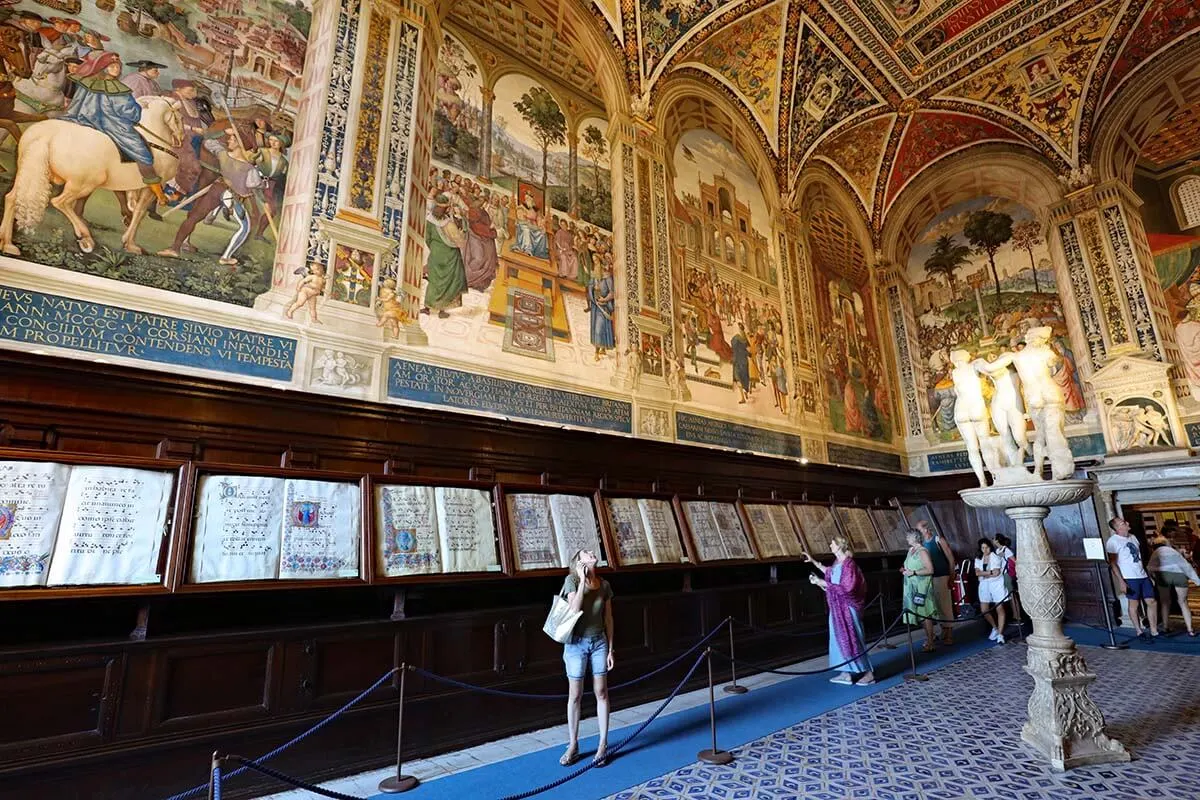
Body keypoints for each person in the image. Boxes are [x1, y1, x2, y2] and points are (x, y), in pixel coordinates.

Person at [59, 50, 169, 205]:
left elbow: (79, 104)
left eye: (117, 66)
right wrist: (138, 109)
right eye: (112, 66)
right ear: (104, 68)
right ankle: (159, 193)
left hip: (86, 119)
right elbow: (129, 112)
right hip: (113, 125)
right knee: (142, 151)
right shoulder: (117, 87)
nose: (116, 69)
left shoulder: (90, 82)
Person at [560, 549, 614, 767]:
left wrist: (611, 649)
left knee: (601, 691)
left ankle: (603, 744)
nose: (592, 553)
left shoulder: (605, 585)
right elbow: (574, 609)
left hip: (599, 642)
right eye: (586, 553)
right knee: (575, 694)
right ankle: (573, 744)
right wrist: (582, 581)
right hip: (576, 644)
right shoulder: (571, 580)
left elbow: (608, 618)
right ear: (579, 561)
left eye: (592, 552)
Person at [804, 536, 875, 686]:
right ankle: (846, 672)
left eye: (832, 543)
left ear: (840, 546)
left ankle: (868, 673)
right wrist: (814, 563)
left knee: (854, 638)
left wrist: (823, 583)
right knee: (839, 640)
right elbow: (830, 572)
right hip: (837, 608)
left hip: (848, 608)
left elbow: (848, 588)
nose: (830, 545)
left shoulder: (849, 565)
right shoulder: (838, 562)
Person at [1106, 517, 1159, 639]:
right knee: (1134, 604)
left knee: (1152, 601)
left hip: (1142, 574)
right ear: (1118, 528)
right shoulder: (1113, 542)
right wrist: (1121, 582)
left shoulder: (1133, 537)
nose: (1128, 523)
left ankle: (1154, 630)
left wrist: (1148, 574)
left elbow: (1139, 558)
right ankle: (1139, 630)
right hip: (1129, 576)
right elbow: (1113, 563)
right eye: (1124, 523)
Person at [1147, 534, 1199, 636]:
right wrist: (1196, 580)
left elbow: (1150, 567)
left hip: (1163, 576)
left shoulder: (1155, 553)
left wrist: (1153, 578)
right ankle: (1190, 629)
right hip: (1179, 575)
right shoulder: (1173, 551)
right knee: (1183, 602)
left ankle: (1166, 627)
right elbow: (1185, 565)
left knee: (1165, 602)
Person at [917, 519, 956, 645]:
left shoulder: (938, 540)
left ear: (926, 529)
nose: (919, 532)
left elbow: (950, 558)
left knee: (945, 606)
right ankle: (943, 631)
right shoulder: (922, 544)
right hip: (929, 579)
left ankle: (949, 634)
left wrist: (952, 576)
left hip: (942, 577)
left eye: (920, 529)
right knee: (937, 608)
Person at [902, 529, 937, 652]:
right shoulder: (910, 550)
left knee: (925, 613)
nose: (906, 539)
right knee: (920, 614)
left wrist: (914, 572)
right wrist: (905, 570)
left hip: (923, 587)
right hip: (912, 587)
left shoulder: (922, 551)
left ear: (914, 538)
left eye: (908, 537)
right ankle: (929, 637)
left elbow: (930, 570)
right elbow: (909, 565)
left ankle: (931, 642)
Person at [975, 538, 1007, 644]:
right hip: (984, 585)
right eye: (983, 548)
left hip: (996, 583)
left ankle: (1001, 635)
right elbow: (977, 573)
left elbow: (997, 573)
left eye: (987, 547)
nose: (985, 550)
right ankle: (995, 628)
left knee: (999, 608)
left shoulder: (995, 557)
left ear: (990, 547)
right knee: (984, 610)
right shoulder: (978, 558)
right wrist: (989, 572)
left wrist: (984, 573)